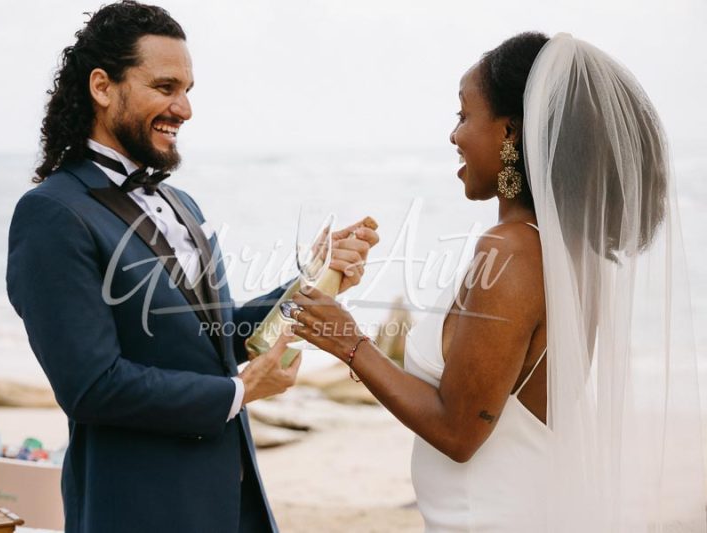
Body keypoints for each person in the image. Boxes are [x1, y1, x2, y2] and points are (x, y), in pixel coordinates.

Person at [291, 32, 706, 532]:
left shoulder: (510, 250)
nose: (453, 136)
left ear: (510, 132)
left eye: (463, 115)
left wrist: (348, 342)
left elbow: (459, 432)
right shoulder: (565, 250)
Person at [5, 2, 378, 532]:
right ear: (102, 87)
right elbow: (91, 386)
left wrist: (311, 281)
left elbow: (214, 337)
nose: (184, 108)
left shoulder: (183, 204)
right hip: (139, 508)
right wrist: (242, 390)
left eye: (187, 90)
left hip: (233, 498)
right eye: (165, 87)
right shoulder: (52, 214)